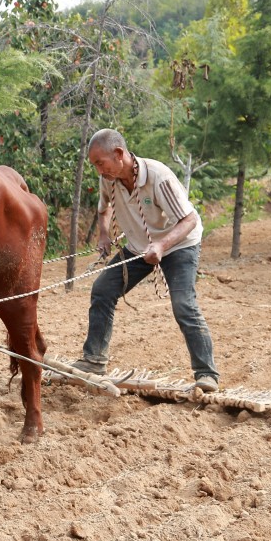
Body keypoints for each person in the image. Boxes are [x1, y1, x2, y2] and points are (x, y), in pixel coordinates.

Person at [71, 128, 221, 392]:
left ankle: (206, 374)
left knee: (183, 304)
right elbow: (103, 208)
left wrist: (162, 245)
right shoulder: (110, 179)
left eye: (100, 163)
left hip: (179, 245)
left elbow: (190, 220)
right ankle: (94, 361)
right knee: (103, 290)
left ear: (118, 154)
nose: (98, 171)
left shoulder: (159, 177)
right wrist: (104, 235)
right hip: (140, 247)